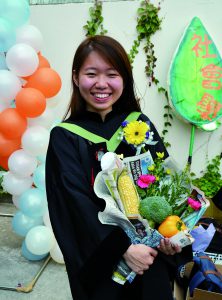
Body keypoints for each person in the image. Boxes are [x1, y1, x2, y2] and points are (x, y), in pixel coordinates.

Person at [45, 35, 192, 300]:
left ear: (124, 78)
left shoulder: (139, 125)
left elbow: (165, 184)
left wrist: (170, 236)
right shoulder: (65, 136)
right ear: (77, 77)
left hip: (151, 257)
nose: (101, 84)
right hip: (104, 264)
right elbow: (74, 206)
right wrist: (122, 248)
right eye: (91, 74)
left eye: (111, 74)